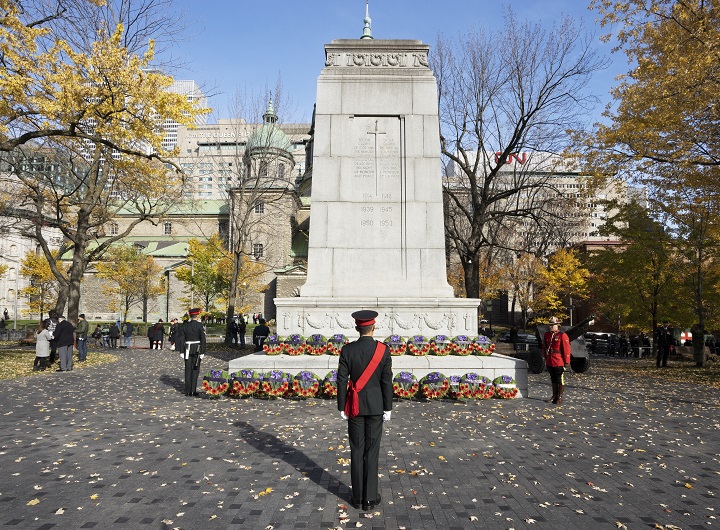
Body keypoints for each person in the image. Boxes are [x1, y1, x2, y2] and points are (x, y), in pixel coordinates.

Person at [337, 310, 393, 511]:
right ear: (373, 327)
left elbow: (342, 380)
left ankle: (358, 497)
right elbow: (387, 381)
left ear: (356, 328)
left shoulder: (347, 350)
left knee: (356, 449)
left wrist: (341, 406)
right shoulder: (383, 350)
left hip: (354, 406)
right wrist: (388, 407)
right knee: (372, 451)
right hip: (376, 406)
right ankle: (370, 498)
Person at [177, 307, 206, 396]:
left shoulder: (185, 325)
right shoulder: (200, 325)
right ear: (197, 316)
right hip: (197, 348)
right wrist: (202, 352)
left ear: (190, 316)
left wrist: (181, 351)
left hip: (187, 349)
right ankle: (193, 390)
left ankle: (187, 391)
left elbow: (181, 339)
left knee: (188, 370)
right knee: (195, 369)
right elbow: (203, 339)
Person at [542, 316, 571, 405]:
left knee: (559, 379)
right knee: (553, 379)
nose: (551, 326)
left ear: (557, 325)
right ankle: (554, 395)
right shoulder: (547, 335)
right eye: (550, 325)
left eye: (553, 325)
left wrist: (566, 362)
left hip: (559, 361)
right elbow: (544, 347)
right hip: (550, 360)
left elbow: (566, 349)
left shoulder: (562, 335)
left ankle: (560, 397)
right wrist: (545, 357)